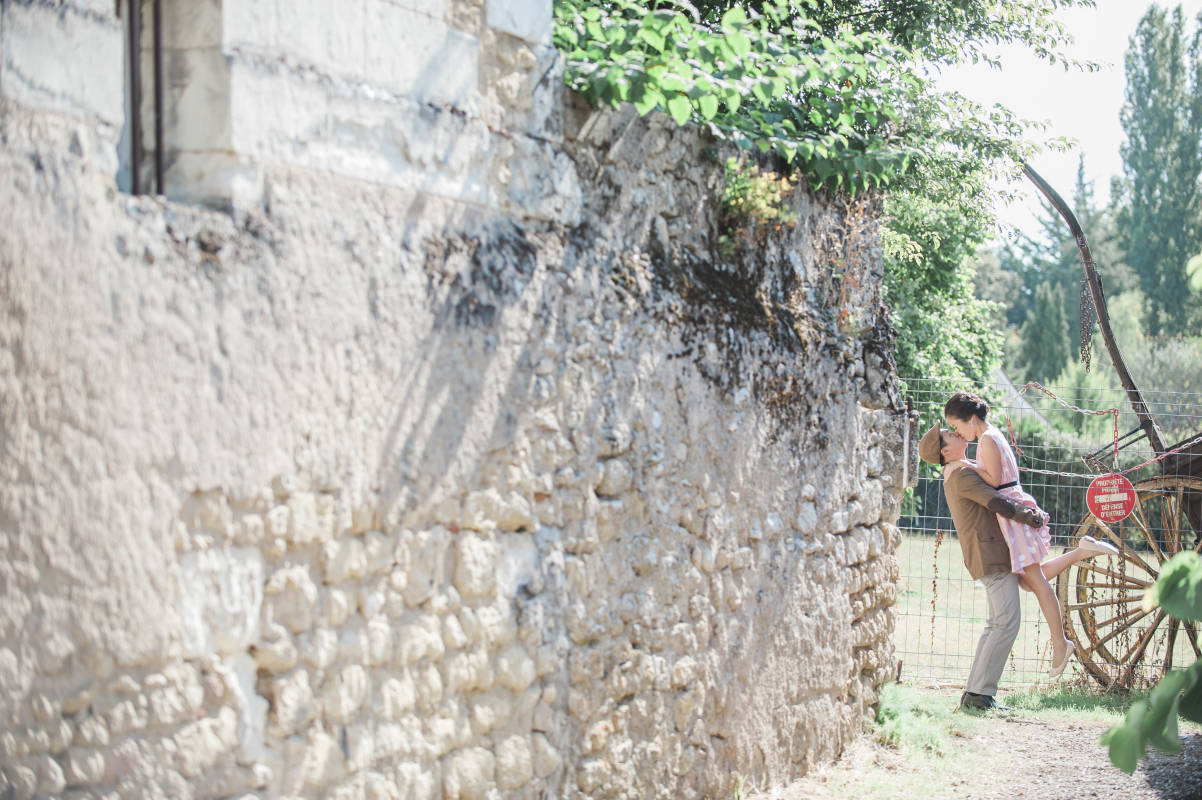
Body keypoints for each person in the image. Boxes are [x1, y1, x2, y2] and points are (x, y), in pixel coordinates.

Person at [916, 423, 1111, 711]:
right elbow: (995, 501)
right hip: (990, 555)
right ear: (945, 451)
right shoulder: (960, 475)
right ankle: (979, 696)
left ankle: (976, 695)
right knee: (1005, 622)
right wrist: (1031, 516)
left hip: (993, 553)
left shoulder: (961, 469)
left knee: (1005, 615)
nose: (956, 433)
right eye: (950, 434)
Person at [942, 392, 1118, 679]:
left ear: (971, 419)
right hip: (1012, 511)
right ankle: (1081, 551)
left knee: (1036, 583)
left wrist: (964, 464)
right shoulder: (991, 436)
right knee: (1028, 581)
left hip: (1013, 513)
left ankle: (1061, 643)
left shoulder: (987, 439)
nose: (957, 432)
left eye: (957, 426)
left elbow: (993, 481)